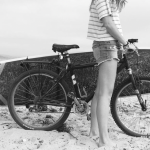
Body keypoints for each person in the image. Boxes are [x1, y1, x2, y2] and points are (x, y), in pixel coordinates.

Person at [87, 0, 130, 148]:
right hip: (107, 45)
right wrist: (125, 42)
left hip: (105, 45)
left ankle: (94, 131)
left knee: (99, 93)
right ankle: (104, 140)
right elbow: (108, 23)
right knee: (105, 94)